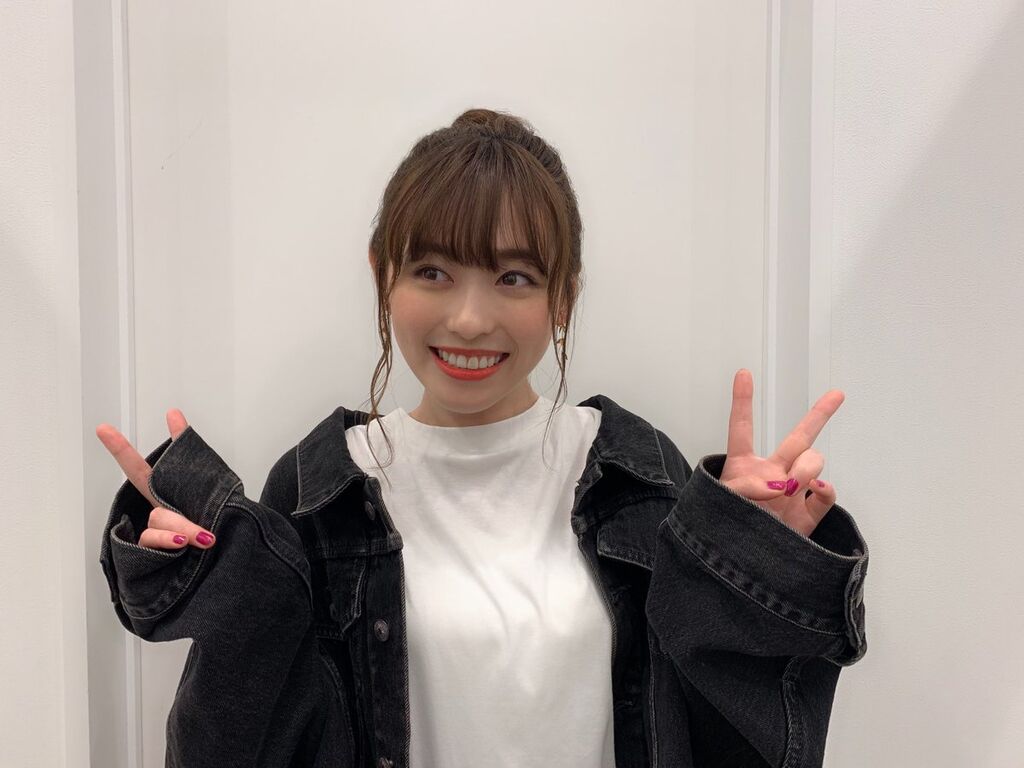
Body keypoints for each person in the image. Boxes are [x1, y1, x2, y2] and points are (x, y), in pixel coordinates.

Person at [96, 108, 869, 768]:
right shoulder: (316, 489)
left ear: (563, 297)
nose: (468, 319)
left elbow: (723, 738)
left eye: (513, 278)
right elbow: (238, 746)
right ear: (383, 275)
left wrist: (749, 568)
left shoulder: (639, 476)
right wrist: (230, 588)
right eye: (433, 272)